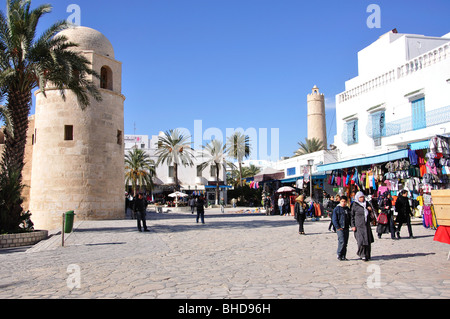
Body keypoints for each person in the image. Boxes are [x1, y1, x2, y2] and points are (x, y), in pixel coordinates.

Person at [351, 192, 375, 261]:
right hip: (359, 226)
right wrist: (353, 225)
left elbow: (371, 215)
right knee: (361, 241)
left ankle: (367, 255)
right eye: (360, 197)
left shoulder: (367, 204)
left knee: (367, 240)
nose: (362, 199)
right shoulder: (355, 205)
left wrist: (370, 210)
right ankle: (362, 254)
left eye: (363, 197)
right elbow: (352, 216)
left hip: (366, 225)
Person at [332, 196, 351, 261]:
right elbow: (334, 219)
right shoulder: (337, 209)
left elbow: (350, 218)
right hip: (340, 228)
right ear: (340, 201)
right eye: (342, 201)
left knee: (345, 242)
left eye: (344, 201)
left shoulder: (347, 209)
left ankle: (343, 255)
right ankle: (339, 254)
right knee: (342, 241)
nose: (343, 203)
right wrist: (337, 227)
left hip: (346, 227)